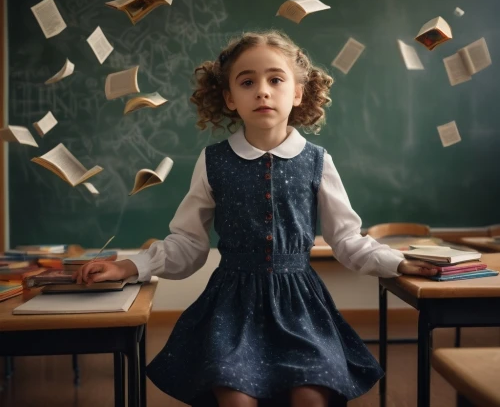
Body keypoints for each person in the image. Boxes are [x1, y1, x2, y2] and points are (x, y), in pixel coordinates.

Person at [77, 30, 438, 407]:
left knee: (311, 397)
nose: (262, 91)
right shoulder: (213, 161)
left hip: (300, 307)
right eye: (247, 82)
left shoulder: (317, 161)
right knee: (236, 399)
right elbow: (187, 246)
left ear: (297, 92)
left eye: (275, 79)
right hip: (232, 308)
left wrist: (399, 262)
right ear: (230, 99)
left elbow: (347, 240)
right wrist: (128, 266)